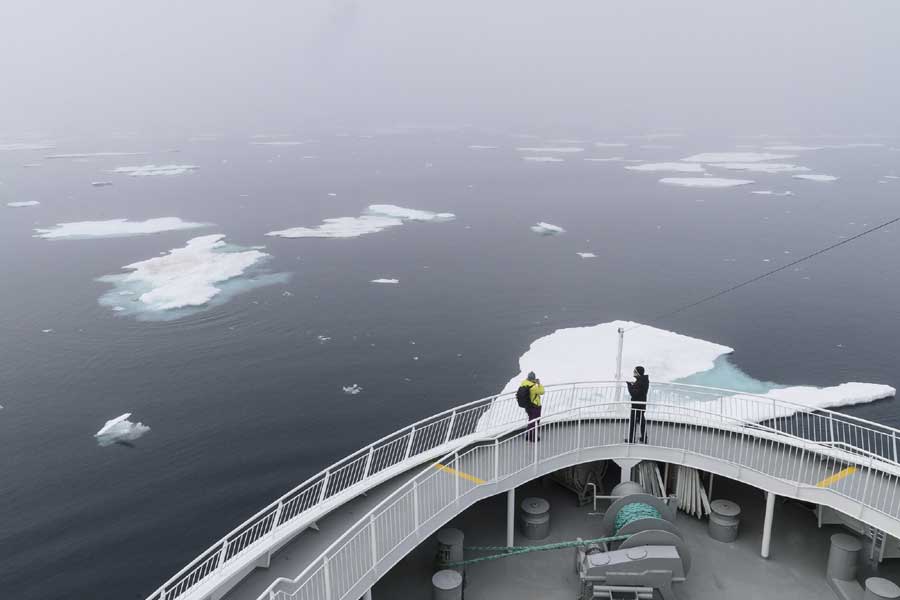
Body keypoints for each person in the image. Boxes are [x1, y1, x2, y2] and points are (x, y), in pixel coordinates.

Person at [517, 371, 545, 441]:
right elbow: (542, 392)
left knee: (531, 421)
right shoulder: (533, 387)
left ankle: (528, 435)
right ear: (533, 379)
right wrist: (539, 384)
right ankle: (532, 437)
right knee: (535, 422)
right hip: (535, 406)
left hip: (528, 406)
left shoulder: (523, 384)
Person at [626, 366, 649, 443]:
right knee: (642, 422)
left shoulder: (640, 382)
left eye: (635, 371)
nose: (633, 372)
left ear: (638, 373)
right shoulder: (644, 380)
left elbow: (634, 393)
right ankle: (644, 438)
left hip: (636, 406)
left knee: (633, 423)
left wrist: (629, 386)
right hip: (641, 405)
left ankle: (631, 439)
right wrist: (634, 385)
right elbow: (639, 390)